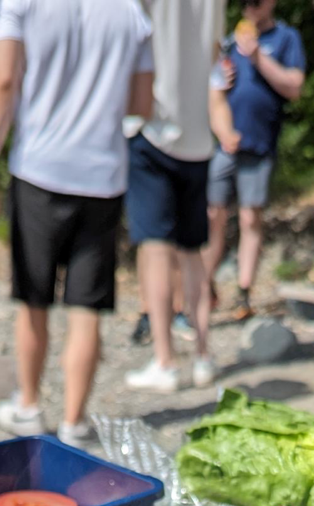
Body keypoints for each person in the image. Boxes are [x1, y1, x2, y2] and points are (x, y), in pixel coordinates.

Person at [0, 0, 154, 444]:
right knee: (86, 306)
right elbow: (142, 103)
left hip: (39, 169)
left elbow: (3, 80)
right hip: (103, 175)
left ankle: (29, 405)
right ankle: (74, 419)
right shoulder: (132, 11)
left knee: (34, 298)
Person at [125, 0, 228, 393]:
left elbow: (129, 34)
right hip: (198, 134)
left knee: (155, 249)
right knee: (192, 252)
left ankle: (165, 361)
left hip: (154, 127)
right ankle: (203, 355)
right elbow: (215, 50)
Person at [204, 0, 305, 321]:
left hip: (259, 145)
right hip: (225, 144)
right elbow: (214, 88)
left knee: (250, 219)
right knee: (212, 215)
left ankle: (244, 292)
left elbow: (294, 87)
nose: (249, 6)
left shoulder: (286, 38)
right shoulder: (229, 42)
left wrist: (258, 56)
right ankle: (205, 285)